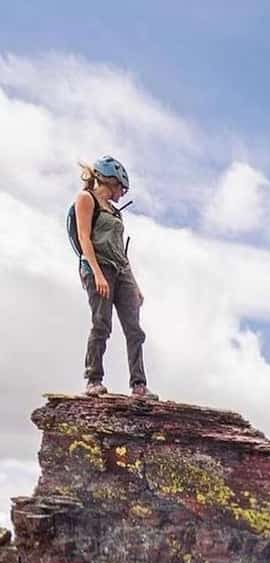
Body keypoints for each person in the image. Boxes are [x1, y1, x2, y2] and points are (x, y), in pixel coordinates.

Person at [73, 156, 157, 399]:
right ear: (111, 180)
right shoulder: (86, 199)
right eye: (122, 187)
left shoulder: (116, 213)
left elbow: (121, 250)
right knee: (102, 324)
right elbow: (84, 238)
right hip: (99, 269)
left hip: (121, 271)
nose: (122, 193)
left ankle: (139, 385)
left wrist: (135, 284)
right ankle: (93, 379)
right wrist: (97, 273)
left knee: (135, 330)